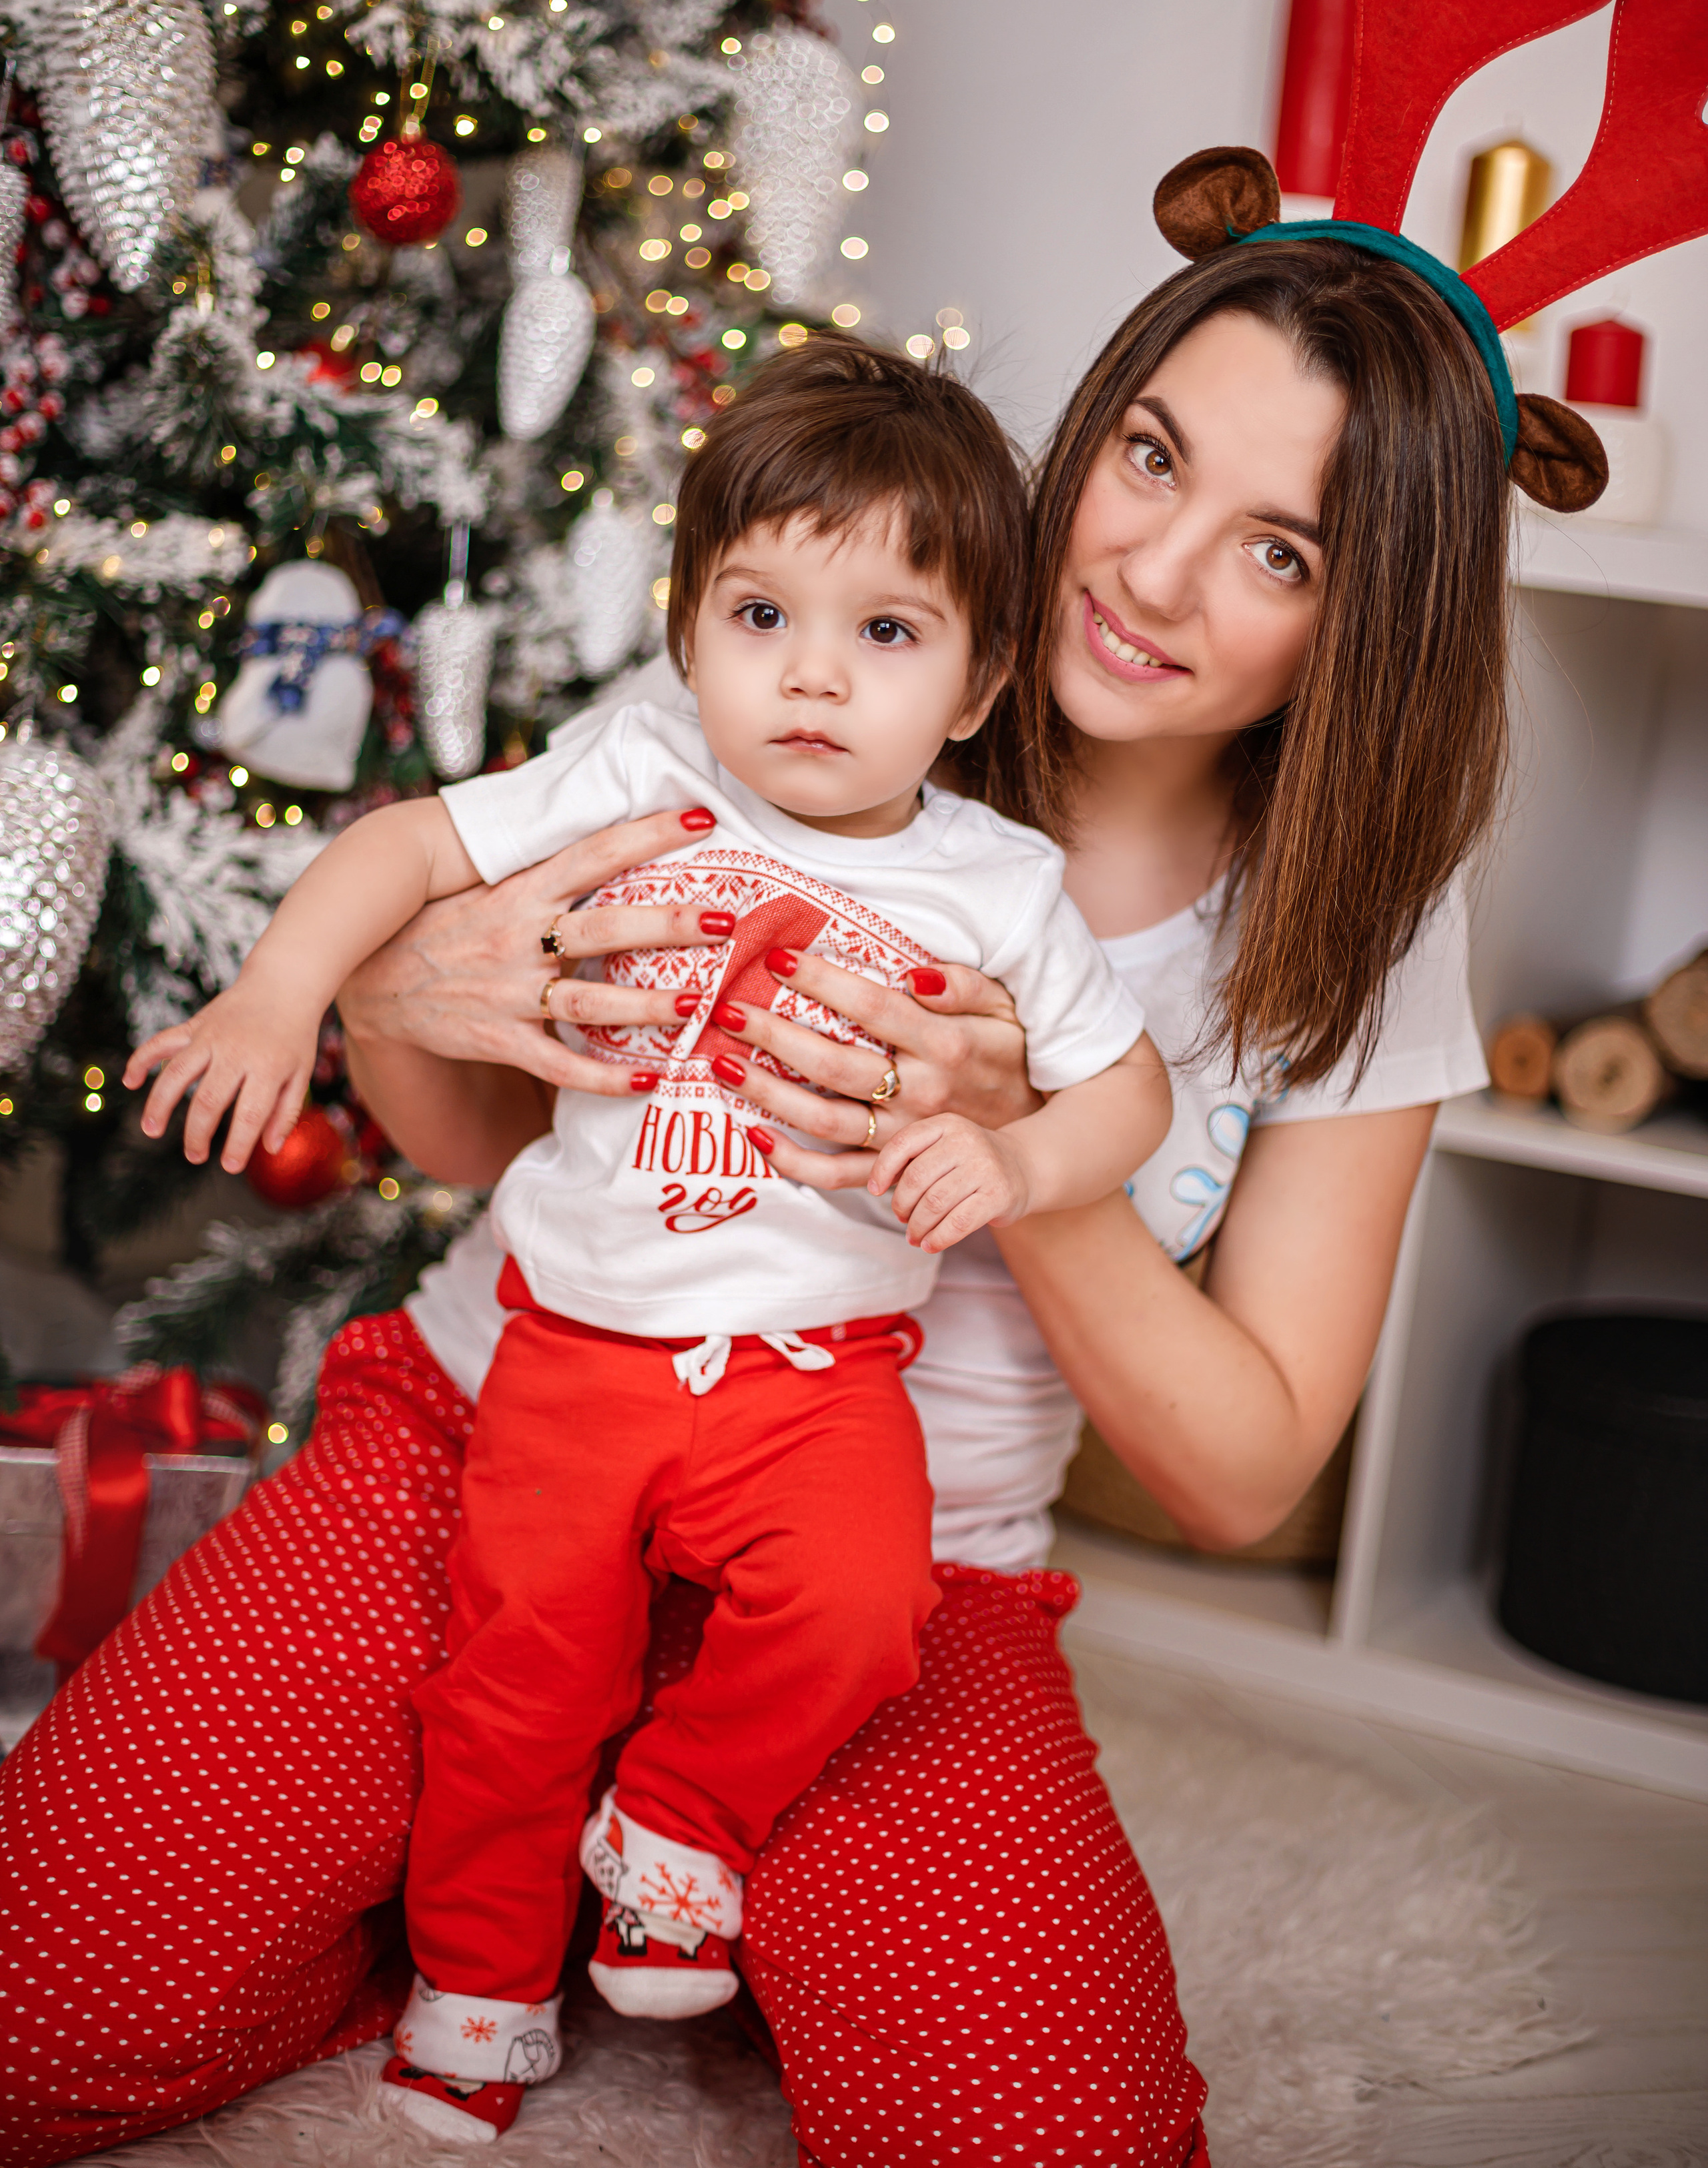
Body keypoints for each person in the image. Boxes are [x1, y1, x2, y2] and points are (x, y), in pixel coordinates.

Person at [0, 231, 1508, 2168]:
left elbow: (1239, 1474)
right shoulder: (817, 653)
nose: (1151, 568)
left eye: (1279, 549)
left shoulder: (1365, 924)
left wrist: (1019, 1145)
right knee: (51, 2009)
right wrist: (386, 987)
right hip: (507, 1428)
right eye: (1148, 457)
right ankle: (477, 1892)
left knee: (1051, 2140)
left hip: (904, 1573)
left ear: (1369, 620)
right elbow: (466, 1125)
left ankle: (619, 1860)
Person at [123, 340, 1170, 2146]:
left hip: (815, 1383)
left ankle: (682, 1821)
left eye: (889, 635)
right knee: (515, 1686)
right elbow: (408, 842)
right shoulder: (638, 765)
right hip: (573, 1360)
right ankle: (476, 1993)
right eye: (761, 612)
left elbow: (1132, 1093)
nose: (813, 677)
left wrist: (1020, 1163)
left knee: (860, 1607)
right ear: (689, 624)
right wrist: (283, 990)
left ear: (987, 675)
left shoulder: (995, 882)